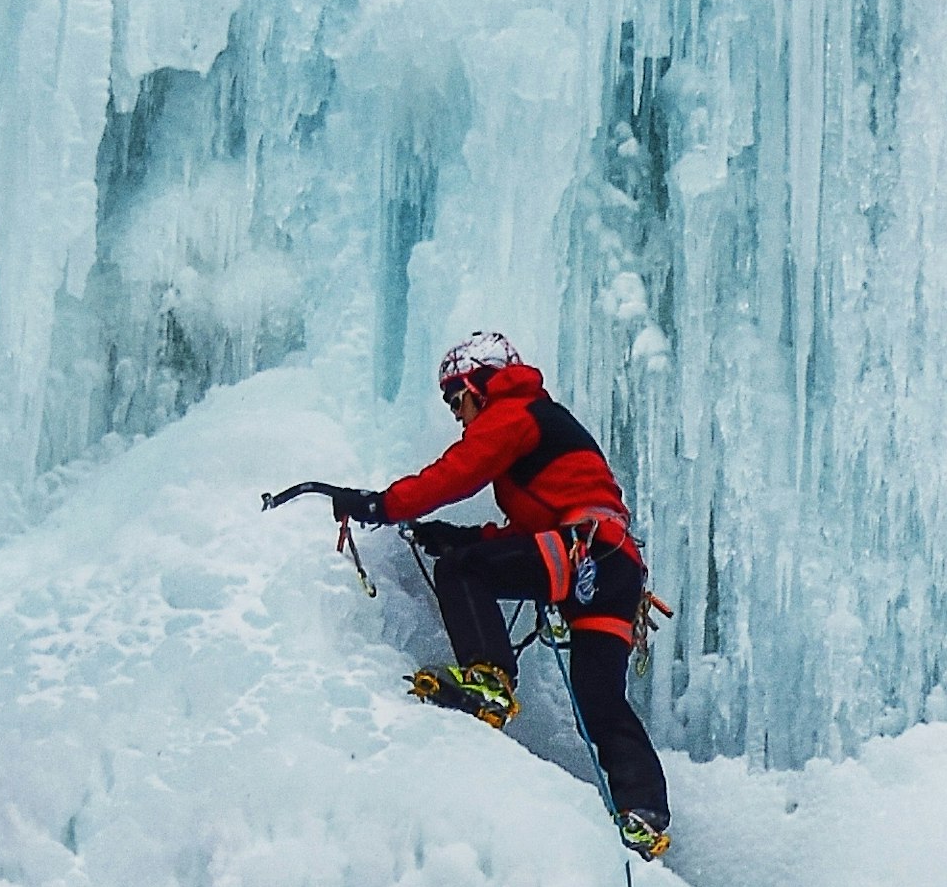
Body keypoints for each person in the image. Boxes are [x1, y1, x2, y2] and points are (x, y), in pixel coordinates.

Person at [273, 331, 671, 859]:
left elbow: (457, 473)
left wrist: (379, 505)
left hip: (582, 552)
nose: (456, 414)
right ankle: (643, 813)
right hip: (613, 567)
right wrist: (456, 536)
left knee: (463, 573)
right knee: (600, 700)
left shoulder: (516, 411)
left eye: (456, 399)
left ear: (479, 384)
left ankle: (489, 678)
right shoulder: (545, 427)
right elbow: (531, 529)